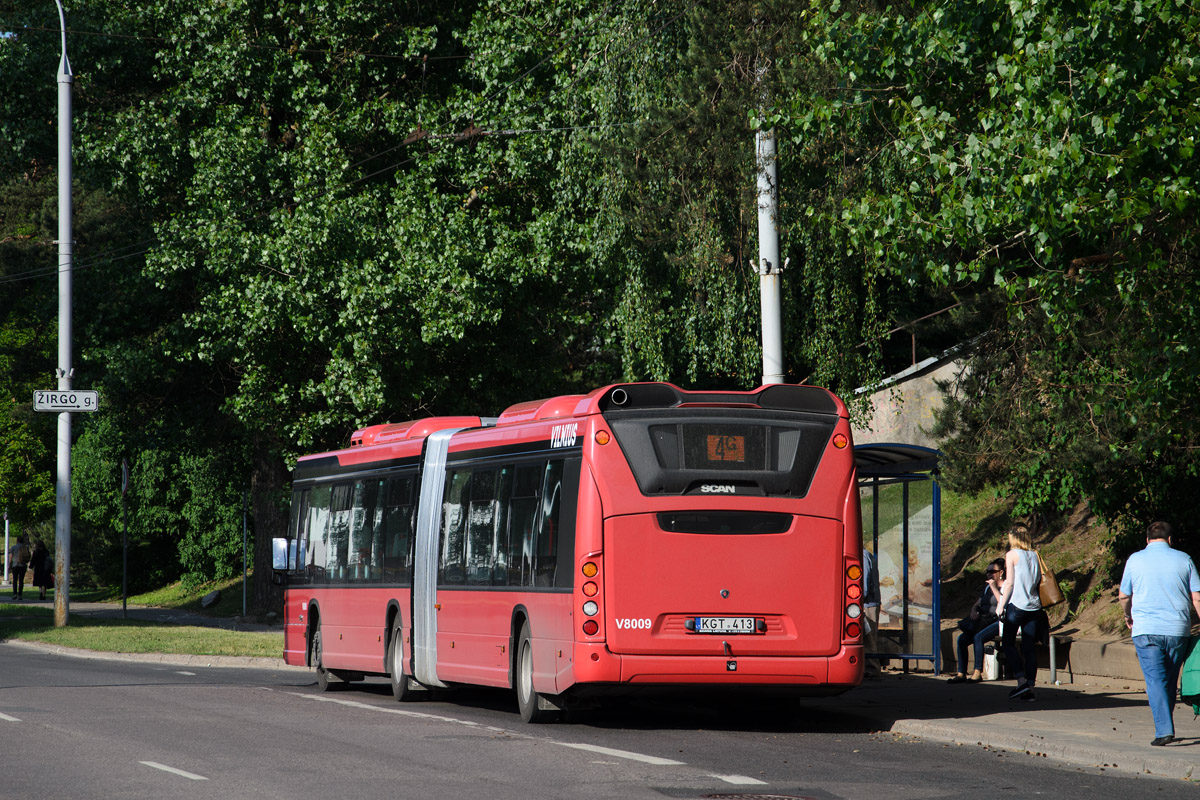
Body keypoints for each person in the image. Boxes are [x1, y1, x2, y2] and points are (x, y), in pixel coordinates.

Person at [1118, 520, 1200, 746]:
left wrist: (1128, 615)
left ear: (1147, 540)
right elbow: (1197, 598)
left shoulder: (1135, 560)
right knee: (1169, 680)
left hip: (1146, 630)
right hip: (1177, 630)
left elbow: (1124, 596)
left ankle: (1164, 730)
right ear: (1170, 539)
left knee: (1155, 680)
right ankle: (1166, 724)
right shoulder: (1185, 559)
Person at [997, 523, 1042, 700]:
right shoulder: (1035, 555)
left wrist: (1001, 605)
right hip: (1034, 606)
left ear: (1013, 538)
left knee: (1008, 643)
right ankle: (1029, 686)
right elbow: (1037, 579)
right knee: (1029, 647)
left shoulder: (1012, 555)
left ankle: (1021, 680)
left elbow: (1009, 583)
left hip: (1017, 605)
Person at [947, 558, 1005, 683]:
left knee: (978, 637)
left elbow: (1003, 603)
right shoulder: (986, 588)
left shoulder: (1005, 586)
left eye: (992, 571)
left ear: (1001, 572)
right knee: (962, 639)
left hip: (998, 621)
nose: (989, 574)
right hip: (983, 620)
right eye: (987, 571)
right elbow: (978, 603)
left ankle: (977, 672)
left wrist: (994, 587)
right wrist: (973, 610)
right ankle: (961, 672)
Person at [862, 547, 881, 678]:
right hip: (868, 603)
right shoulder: (866, 555)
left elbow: (863, 585)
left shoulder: (862, 556)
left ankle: (872, 669)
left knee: (869, 637)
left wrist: (858, 599)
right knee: (868, 636)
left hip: (867, 603)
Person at [8, 534, 31, 601]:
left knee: (15, 580)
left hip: (15, 565)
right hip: (23, 565)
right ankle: (20, 595)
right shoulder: (25, 547)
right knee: (21, 580)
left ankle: (14, 594)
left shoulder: (13, 547)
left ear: (17, 540)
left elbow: (11, 557)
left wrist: (9, 566)